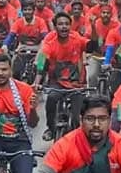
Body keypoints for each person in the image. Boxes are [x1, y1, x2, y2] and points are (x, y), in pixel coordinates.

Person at [35, 13, 89, 141]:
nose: (63, 27)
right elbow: (42, 62)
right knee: (51, 100)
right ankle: (50, 128)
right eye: (60, 24)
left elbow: (90, 45)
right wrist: (37, 82)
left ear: (70, 26)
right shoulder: (50, 44)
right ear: (55, 27)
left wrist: (93, 29)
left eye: (66, 24)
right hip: (57, 82)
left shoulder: (77, 39)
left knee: (77, 117)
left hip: (77, 83)